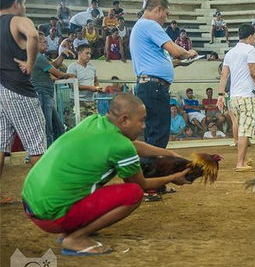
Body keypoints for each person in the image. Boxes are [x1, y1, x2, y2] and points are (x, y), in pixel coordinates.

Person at [21, 94, 192, 255]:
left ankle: (74, 228)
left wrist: (169, 154)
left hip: (31, 202)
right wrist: (172, 178)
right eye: (141, 121)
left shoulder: (93, 121)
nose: (143, 126)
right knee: (133, 193)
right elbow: (142, 184)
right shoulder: (120, 146)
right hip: (51, 216)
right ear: (124, 120)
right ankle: (75, 238)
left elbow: (132, 146)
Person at [130, 0, 197, 149]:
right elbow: (175, 50)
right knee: (159, 135)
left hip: (149, 85)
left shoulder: (141, 26)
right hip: (154, 87)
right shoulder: (150, 24)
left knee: (153, 133)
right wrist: (188, 53)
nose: (165, 19)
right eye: (165, 14)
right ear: (158, 10)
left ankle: (149, 169)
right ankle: (154, 171)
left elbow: (159, 62)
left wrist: (180, 62)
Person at [0, 0, 45, 175]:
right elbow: (33, 35)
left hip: (1, 89)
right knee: (37, 145)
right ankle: (44, 195)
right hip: (18, 89)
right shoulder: (18, 20)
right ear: (16, 3)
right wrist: (30, 64)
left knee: (0, 144)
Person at [217, 24, 255, 171]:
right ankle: (240, 163)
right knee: (245, 131)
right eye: (254, 37)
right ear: (251, 36)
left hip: (233, 98)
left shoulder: (230, 53)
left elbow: (224, 75)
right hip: (246, 97)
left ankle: (244, 159)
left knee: (240, 129)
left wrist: (221, 95)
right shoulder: (250, 49)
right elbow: (253, 72)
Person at [32, 32, 75, 146]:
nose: (46, 44)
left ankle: (55, 152)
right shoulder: (37, 57)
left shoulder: (40, 57)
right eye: (43, 42)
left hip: (46, 96)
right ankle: (46, 156)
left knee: (58, 128)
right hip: (42, 95)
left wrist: (62, 55)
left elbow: (53, 65)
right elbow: (58, 74)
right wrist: (69, 75)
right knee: (48, 129)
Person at [67, 44, 101, 120]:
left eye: (90, 54)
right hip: (77, 101)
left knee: (93, 124)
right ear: (79, 54)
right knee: (78, 125)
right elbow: (73, 85)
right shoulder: (73, 67)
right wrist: (90, 88)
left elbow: (95, 79)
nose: (89, 56)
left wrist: (97, 87)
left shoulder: (92, 67)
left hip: (91, 101)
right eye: (87, 53)